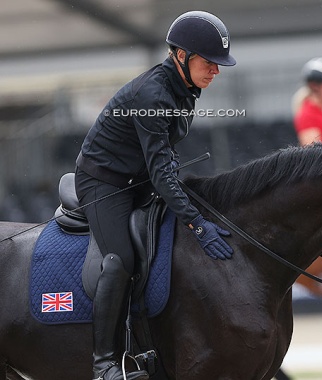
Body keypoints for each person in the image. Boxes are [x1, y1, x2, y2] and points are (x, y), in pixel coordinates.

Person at [74, 11, 236, 380]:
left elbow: (161, 156)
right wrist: (196, 223)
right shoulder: (154, 93)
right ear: (181, 56)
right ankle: (103, 365)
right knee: (120, 259)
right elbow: (163, 172)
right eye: (210, 62)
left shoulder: (186, 88)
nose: (217, 71)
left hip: (139, 177)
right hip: (105, 183)